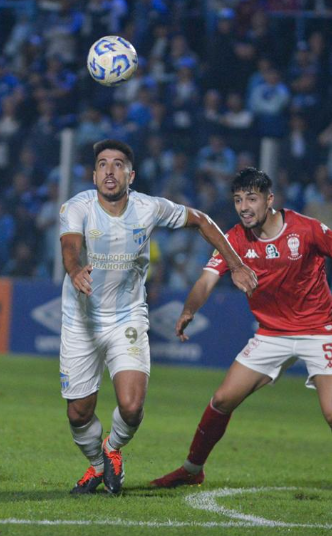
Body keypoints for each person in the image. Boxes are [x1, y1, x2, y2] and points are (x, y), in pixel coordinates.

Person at [150, 168, 332, 501]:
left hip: (321, 330)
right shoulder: (234, 240)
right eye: (238, 200)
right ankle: (191, 469)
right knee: (222, 399)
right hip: (272, 333)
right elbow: (205, 281)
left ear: (269, 200)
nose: (244, 207)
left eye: (251, 199)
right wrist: (189, 310)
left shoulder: (307, 229)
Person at [60, 140, 257, 495]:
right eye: (102, 164)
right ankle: (95, 464)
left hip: (127, 317)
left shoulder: (149, 208)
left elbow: (201, 220)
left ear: (130, 175)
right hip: (82, 320)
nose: (109, 170)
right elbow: (70, 248)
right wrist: (75, 270)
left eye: (118, 164)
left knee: (132, 407)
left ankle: (113, 449)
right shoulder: (78, 208)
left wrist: (236, 262)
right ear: (93, 175)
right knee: (78, 413)